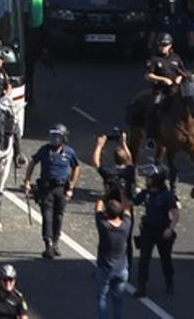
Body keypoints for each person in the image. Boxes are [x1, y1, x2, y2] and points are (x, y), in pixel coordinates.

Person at [22, 124, 80, 258]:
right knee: (47, 216)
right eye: (53, 136)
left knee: (59, 216)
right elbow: (32, 162)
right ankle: (47, 243)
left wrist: (71, 186)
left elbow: (76, 167)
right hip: (46, 189)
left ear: (64, 138)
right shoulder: (44, 150)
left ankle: (55, 242)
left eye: (58, 137)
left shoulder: (69, 152)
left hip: (61, 188)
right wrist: (27, 181)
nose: (54, 140)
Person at [130, 166, 180, 298]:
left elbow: (175, 214)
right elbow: (132, 201)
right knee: (144, 259)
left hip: (163, 232)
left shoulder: (167, 196)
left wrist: (170, 228)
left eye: (149, 178)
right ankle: (141, 287)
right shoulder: (146, 193)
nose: (147, 180)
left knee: (165, 259)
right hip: (148, 231)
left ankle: (169, 281)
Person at [143, 33, 187, 147]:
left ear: (170, 46)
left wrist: (179, 78)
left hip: (175, 89)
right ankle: (150, 137)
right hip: (161, 91)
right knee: (153, 108)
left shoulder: (176, 58)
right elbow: (148, 75)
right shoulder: (154, 59)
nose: (162, 47)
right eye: (160, 45)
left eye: (165, 45)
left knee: (191, 105)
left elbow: (182, 72)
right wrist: (163, 79)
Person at [93, 196, 132, 319]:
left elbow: (98, 206)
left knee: (101, 297)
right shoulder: (126, 225)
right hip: (122, 269)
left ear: (106, 213)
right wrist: (122, 192)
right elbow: (127, 208)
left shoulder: (104, 225)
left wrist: (103, 196)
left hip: (105, 268)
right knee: (118, 301)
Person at [92, 132, 136, 211]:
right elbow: (129, 159)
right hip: (126, 204)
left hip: (112, 205)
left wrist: (99, 145)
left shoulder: (109, 172)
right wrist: (124, 143)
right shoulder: (130, 171)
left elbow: (96, 162)